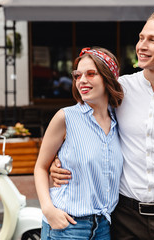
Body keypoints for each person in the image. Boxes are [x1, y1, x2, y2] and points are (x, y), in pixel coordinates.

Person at [51, 9, 154, 240]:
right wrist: (57, 161)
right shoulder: (119, 89)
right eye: (141, 37)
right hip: (124, 218)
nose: (142, 45)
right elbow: (83, 122)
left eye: (153, 40)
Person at [34, 47, 124, 239]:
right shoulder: (65, 118)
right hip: (67, 226)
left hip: (104, 226)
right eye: (78, 75)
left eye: (91, 74)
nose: (82, 80)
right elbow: (40, 167)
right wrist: (48, 210)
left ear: (108, 78)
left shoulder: (120, 121)